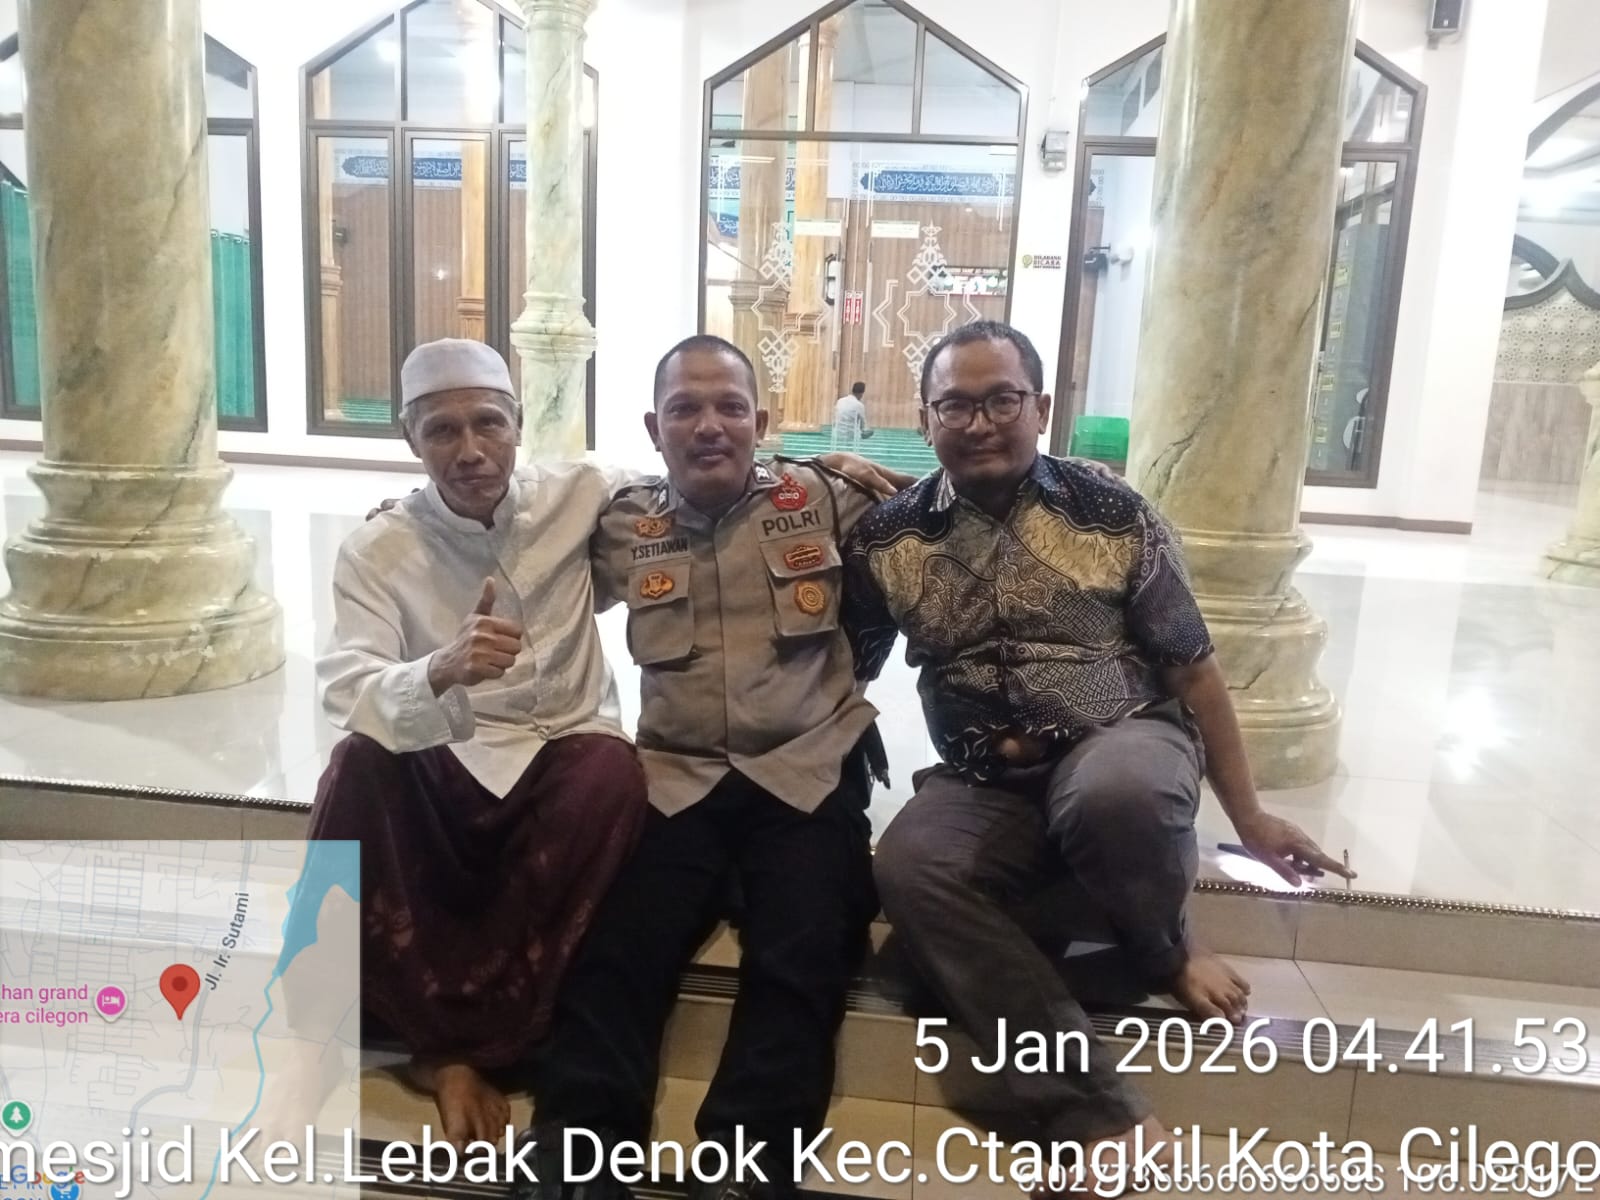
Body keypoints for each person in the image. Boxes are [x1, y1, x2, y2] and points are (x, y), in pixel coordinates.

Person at [842, 320, 1354, 1193]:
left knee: (1115, 793)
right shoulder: (890, 537)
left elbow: (1194, 669)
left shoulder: (1112, 512)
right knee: (912, 864)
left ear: (1041, 408)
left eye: (1002, 400)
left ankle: (1164, 949)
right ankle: (1102, 1113)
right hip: (984, 773)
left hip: (1122, 736)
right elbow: (844, 667)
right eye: (955, 405)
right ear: (925, 420)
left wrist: (1253, 817)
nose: (979, 422)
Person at [519, 335, 906, 1200]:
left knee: (806, 944)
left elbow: (945, 515)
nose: (709, 426)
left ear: (760, 422)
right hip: (676, 777)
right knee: (618, 943)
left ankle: (747, 1161)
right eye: (685, 409)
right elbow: (512, 533)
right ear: (652, 428)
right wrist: (416, 515)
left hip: (806, 769)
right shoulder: (621, 522)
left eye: (730, 407)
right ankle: (577, 1145)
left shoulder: (824, 496)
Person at [309, 338, 651, 1148]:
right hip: (452, 748)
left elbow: (699, 464)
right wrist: (440, 668)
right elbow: (346, 685)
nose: (470, 451)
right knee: (359, 762)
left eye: (489, 423)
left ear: (519, 423)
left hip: (561, 746)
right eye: (442, 431)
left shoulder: (580, 491)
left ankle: (496, 1039)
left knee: (613, 772)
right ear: (410, 440)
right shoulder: (379, 549)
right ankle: (437, 1048)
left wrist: (823, 470)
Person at [830, 380, 873, 451]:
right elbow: (863, 425)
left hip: (837, 435)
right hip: (851, 437)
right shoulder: (859, 405)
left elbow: (835, 419)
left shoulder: (840, 401)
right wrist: (867, 431)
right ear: (861, 393)